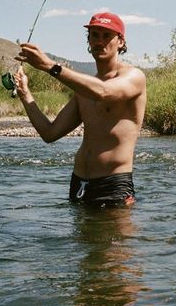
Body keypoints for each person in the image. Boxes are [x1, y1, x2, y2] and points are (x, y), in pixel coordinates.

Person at [14, 12, 146, 207]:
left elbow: (104, 92)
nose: (100, 41)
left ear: (120, 42)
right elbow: (50, 133)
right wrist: (25, 95)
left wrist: (50, 66)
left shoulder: (134, 77)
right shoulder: (84, 90)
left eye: (107, 36)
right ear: (89, 40)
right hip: (79, 184)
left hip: (113, 185)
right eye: (94, 35)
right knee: (80, 239)